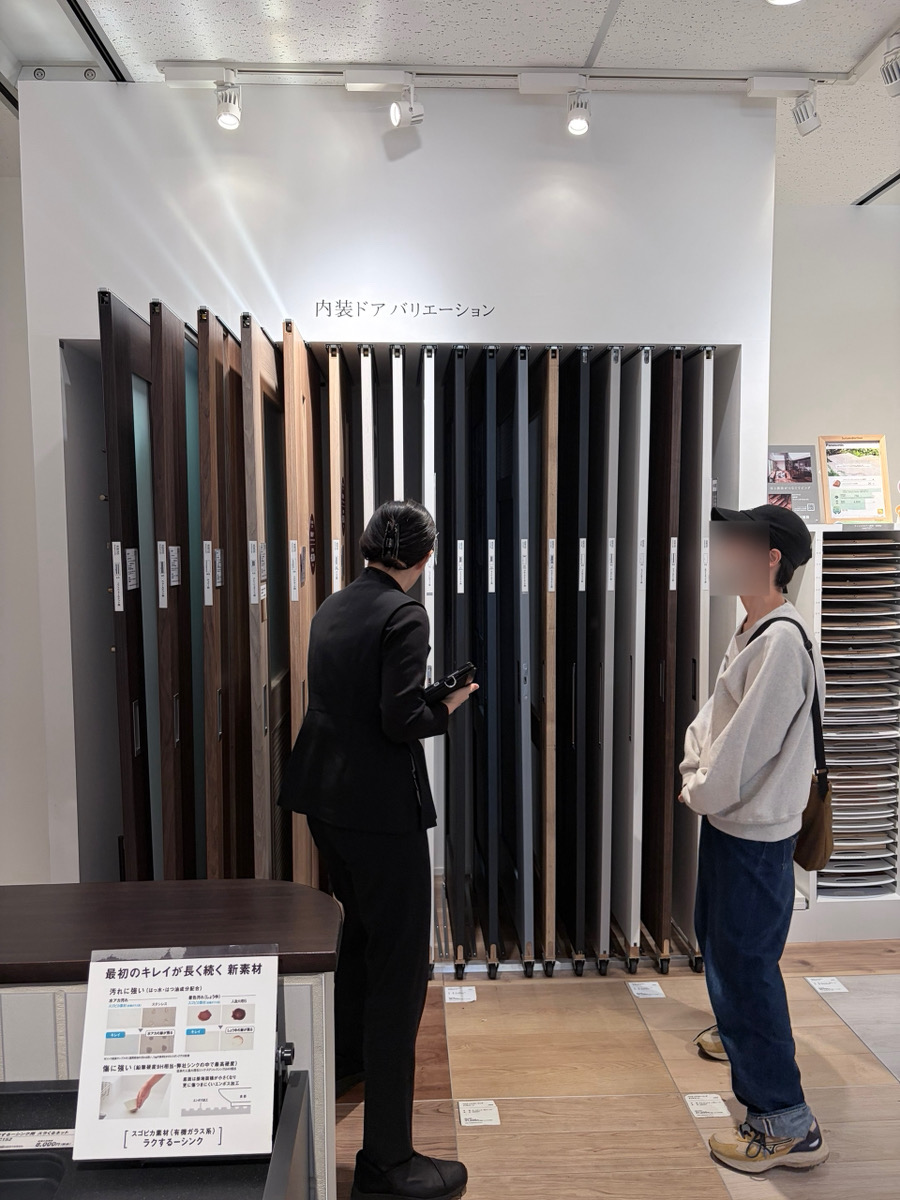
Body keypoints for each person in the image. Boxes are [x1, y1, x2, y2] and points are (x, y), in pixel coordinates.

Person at [279, 499, 475, 1200]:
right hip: (380, 812)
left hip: (323, 797)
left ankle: (349, 1058)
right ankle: (387, 1161)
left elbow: (357, 699)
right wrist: (446, 704)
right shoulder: (406, 615)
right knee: (401, 971)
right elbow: (399, 719)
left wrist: (421, 697)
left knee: (360, 936)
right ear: (425, 557)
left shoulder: (334, 606)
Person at [679, 504, 830, 1174]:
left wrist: (699, 787)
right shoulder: (753, 628)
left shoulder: (779, 642)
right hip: (734, 822)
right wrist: (698, 777)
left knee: (746, 964)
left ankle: (785, 1122)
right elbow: (711, 724)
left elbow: (743, 748)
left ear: (772, 559)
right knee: (724, 946)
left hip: (754, 830)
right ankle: (738, 1028)